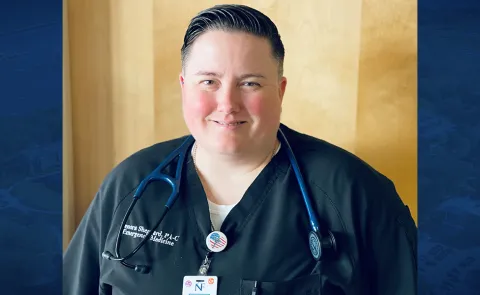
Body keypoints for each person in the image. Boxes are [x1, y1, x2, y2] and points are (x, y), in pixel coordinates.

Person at [63, 4, 417, 295]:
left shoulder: (354, 193)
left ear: (279, 91)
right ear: (185, 88)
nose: (227, 103)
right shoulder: (130, 184)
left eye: (250, 83)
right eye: (209, 82)